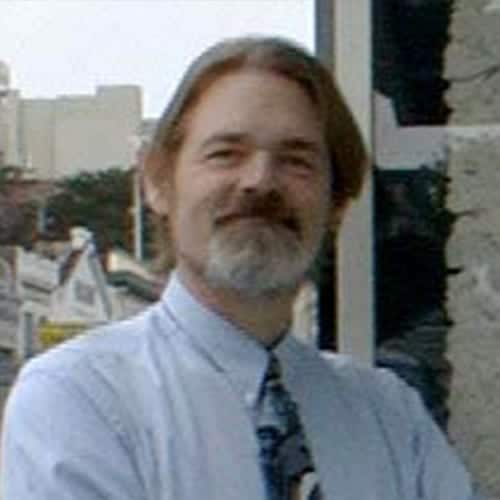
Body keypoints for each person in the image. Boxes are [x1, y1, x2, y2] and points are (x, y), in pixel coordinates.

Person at [1, 37, 482, 500]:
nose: (259, 181)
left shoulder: (390, 419)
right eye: (226, 154)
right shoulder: (81, 399)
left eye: (297, 161)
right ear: (157, 184)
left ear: (337, 202)